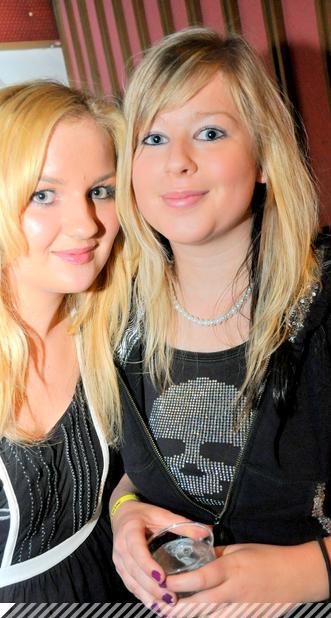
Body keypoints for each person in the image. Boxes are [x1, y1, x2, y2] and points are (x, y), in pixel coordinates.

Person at [111, 26, 331, 612]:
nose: (177, 162)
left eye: (209, 133)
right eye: (153, 137)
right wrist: (125, 512)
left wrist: (309, 571)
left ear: (263, 158)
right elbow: (148, 468)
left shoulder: (322, 305)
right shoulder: (119, 319)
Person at [0, 80, 134, 603]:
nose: (86, 225)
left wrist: (128, 512)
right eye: (43, 194)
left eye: (101, 191)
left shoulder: (111, 323)